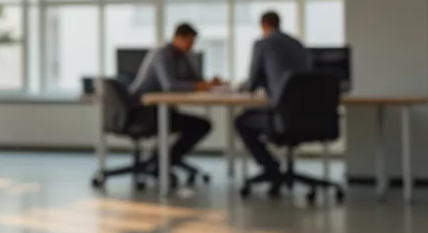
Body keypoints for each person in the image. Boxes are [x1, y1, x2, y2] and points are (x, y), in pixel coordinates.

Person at [128, 23, 218, 172]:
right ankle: (161, 163)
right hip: (144, 112)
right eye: (189, 42)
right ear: (178, 38)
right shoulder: (162, 54)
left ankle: (161, 161)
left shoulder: (181, 55)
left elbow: (195, 79)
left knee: (202, 125)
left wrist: (207, 84)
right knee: (199, 126)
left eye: (193, 42)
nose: (191, 46)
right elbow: (169, 86)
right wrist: (198, 86)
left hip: (162, 110)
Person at [234, 11, 311, 177]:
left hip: (280, 116)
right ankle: (275, 169)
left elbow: (252, 84)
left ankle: (270, 167)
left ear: (263, 25)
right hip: (308, 116)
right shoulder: (298, 44)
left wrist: (243, 87)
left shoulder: (263, 44)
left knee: (241, 121)